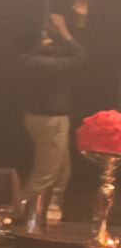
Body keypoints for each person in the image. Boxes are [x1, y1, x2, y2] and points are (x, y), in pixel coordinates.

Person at [19, 13, 86, 226]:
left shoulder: (40, 56)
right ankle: (22, 216)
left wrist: (75, 24)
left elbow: (71, 51)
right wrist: (64, 30)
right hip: (48, 121)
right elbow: (79, 56)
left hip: (52, 120)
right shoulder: (36, 61)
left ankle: (47, 214)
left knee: (61, 172)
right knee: (45, 174)